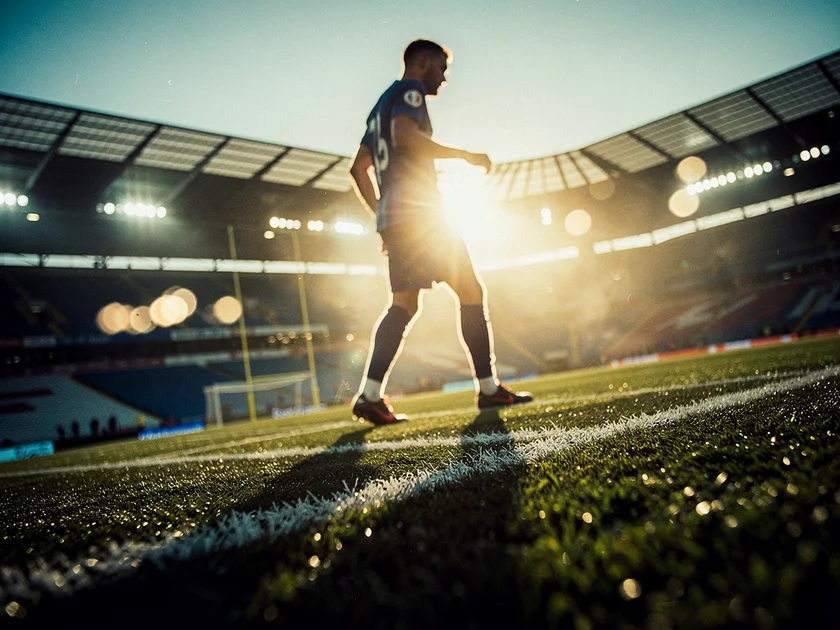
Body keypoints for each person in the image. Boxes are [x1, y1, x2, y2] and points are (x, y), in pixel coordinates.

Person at [348, 39, 532, 426]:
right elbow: (405, 138)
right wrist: (466, 156)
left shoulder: (377, 108)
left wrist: (382, 215)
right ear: (424, 62)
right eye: (442, 69)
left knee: (403, 304)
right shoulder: (410, 91)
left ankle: (369, 395)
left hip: (398, 220)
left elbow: (359, 169)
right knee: (470, 291)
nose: (444, 78)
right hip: (423, 216)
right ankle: (487, 389)